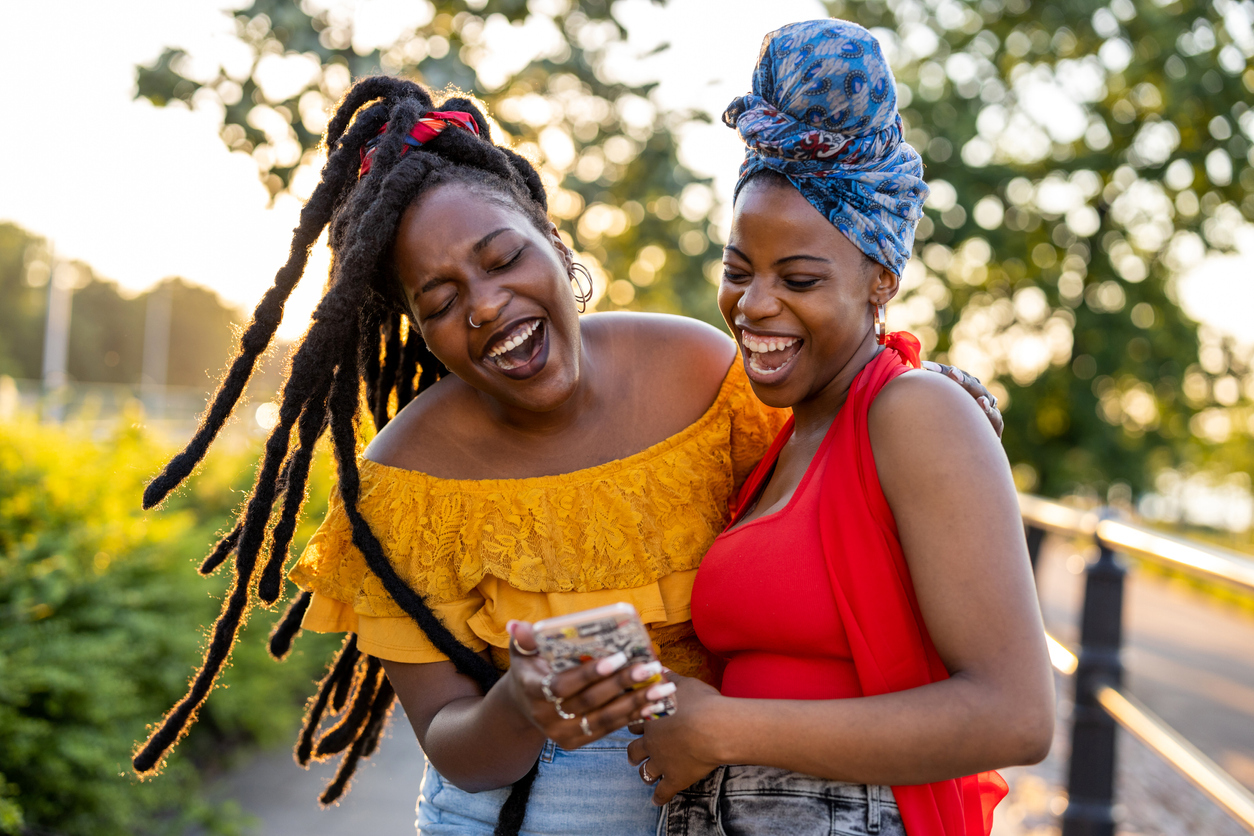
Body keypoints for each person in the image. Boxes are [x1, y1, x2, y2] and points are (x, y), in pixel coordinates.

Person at [130, 75, 1003, 836]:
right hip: (538, 803)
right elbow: (455, 748)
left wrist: (928, 395)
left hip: (725, 792)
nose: (482, 304)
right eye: (439, 299)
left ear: (553, 240)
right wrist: (522, 702)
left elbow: (830, 465)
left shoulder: (703, 369)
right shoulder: (401, 485)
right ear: (419, 329)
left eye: (503, 257)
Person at [622, 20, 1055, 836]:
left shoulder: (915, 413)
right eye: (739, 270)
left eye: (800, 278)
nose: (752, 305)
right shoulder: (776, 440)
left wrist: (724, 729)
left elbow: (1016, 715)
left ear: (880, 281)